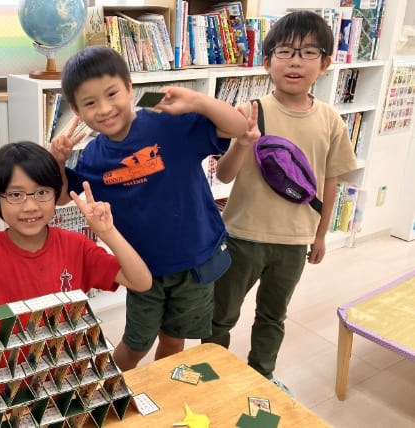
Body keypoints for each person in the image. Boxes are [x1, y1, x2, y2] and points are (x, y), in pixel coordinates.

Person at [50, 45, 248, 370]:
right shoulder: (93, 157)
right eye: (90, 103)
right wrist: (58, 161)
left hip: (195, 262)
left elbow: (239, 128)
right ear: (76, 110)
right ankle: (109, 393)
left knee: (174, 341)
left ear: (130, 88)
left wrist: (198, 101)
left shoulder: (168, 124)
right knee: (134, 346)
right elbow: (60, 197)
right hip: (143, 271)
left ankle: (161, 396)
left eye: (112, 93)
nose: (104, 109)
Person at [203, 11, 358, 391]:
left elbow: (330, 182)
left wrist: (320, 236)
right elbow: (225, 175)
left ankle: (262, 376)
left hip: (294, 242)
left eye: (308, 52)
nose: (295, 62)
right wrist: (243, 143)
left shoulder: (331, 121)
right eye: (285, 51)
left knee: (273, 316)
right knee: (220, 316)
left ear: (325, 63)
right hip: (241, 236)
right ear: (267, 61)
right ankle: (211, 377)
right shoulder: (249, 111)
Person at [0, 141, 151, 338]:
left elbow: (141, 282)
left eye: (41, 192)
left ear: (56, 194)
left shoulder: (76, 246)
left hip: (66, 365)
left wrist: (108, 232)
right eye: (15, 195)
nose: (30, 206)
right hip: (7, 367)